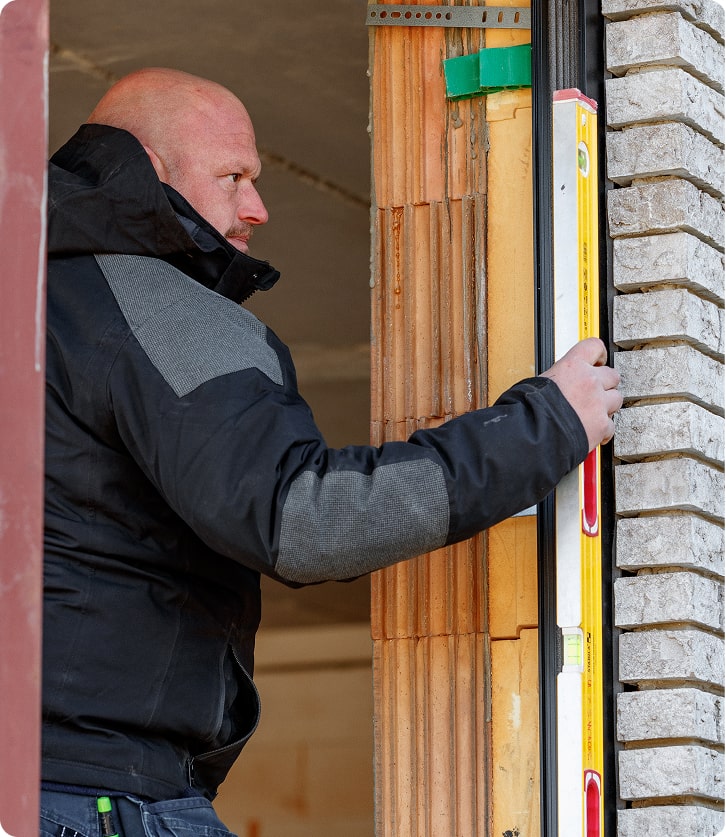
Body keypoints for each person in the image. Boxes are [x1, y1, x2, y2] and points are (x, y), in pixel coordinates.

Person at [41, 68, 621, 836]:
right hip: (97, 791)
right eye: (234, 177)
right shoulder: (149, 302)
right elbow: (303, 516)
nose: (258, 207)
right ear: (151, 170)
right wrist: (546, 424)